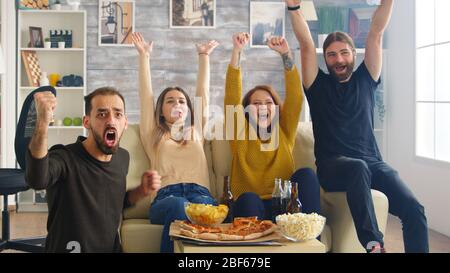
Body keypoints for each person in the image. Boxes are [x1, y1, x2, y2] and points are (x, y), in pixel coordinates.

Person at [285, 0, 428, 252]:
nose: (338, 59)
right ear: (325, 59)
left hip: (371, 163)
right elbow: (306, 44)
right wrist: (294, 9)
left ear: (354, 54)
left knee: (414, 210)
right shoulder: (318, 86)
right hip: (333, 167)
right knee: (357, 167)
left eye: (344, 53)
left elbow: (376, 32)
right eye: (331, 54)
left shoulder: (366, 78)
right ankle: (374, 244)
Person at [26, 87, 161, 253]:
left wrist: (141, 191)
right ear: (86, 122)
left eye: (118, 114)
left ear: (125, 123)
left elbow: (114, 203)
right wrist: (42, 123)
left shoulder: (122, 158)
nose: (111, 121)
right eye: (102, 114)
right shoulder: (64, 157)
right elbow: (37, 180)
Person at [131, 32, 219, 253]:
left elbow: (203, 96)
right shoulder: (154, 135)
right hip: (166, 199)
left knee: (195, 208)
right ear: (161, 109)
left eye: (181, 101)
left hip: (201, 196)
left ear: (188, 109)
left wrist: (204, 56)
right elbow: (146, 96)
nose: (177, 104)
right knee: (179, 206)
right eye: (170, 101)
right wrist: (144, 56)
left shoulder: (196, 131)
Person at [224, 32, 321, 222]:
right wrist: (237, 51)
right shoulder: (239, 133)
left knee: (307, 175)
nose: (262, 107)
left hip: (283, 206)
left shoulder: (284, 130)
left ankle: (311, 245)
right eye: (256, 103)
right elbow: (231, 97)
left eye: (268, 103)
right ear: (245, 111)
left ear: (276, 109)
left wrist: (286, 55)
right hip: (250, 206)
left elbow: (295, 98)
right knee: (249, 199)